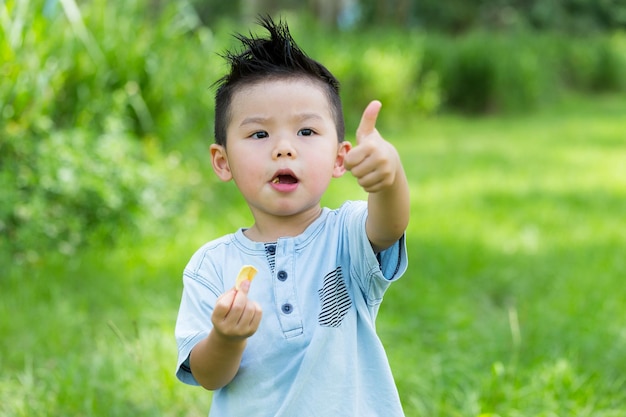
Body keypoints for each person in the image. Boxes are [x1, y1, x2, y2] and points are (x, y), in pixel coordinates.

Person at [175, 16, 410, 417]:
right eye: (259, 134)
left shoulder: (346, 236)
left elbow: (390, 225)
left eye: (306, 132)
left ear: (340, 157)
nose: (284, 148)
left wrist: (389, 178)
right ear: (222, 161)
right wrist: (226, 339)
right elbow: (208, 375)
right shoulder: (211, 266)